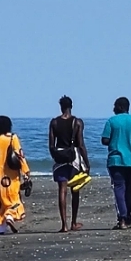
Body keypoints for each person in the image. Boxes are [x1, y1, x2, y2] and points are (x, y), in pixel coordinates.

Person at [100, 96, 131, 231]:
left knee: (119, 188)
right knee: (129, 190)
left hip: (116, 160)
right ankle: (129, 217)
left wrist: (116, 138)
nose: (113, 108)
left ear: (119, 107)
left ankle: (123, 218)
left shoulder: (112, 121)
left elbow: (105, 140)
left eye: (115, 106)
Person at [47, 96, 89, 231]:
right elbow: (81, 144)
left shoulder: (54, 122)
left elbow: (51, 145)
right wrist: (87, 163)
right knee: (75, 190)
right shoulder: (77, 122)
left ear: (61, 107)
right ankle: (74, 222)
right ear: (71, 106)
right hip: (73, 159)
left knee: (62, 190)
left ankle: (64, 224)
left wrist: (56, 156)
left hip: (60, 158)